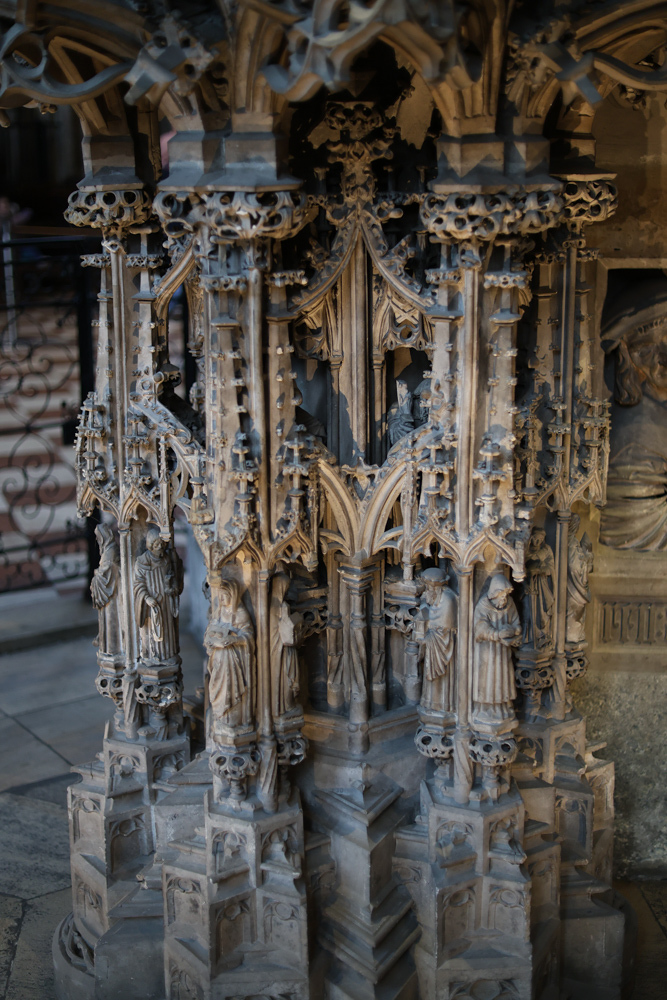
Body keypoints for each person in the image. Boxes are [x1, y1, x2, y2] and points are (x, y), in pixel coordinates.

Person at [473, 573, 521, 723]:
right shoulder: (483, 605)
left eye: (505, 596)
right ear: (493, 594)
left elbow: (517, 623)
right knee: (487, 679)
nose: (503, 600)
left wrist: (513, 631)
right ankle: (484, 709)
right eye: (501, 596)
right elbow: (479, 628)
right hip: (487, 651)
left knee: (503, 678)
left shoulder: (509, 604)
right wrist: (497, 634)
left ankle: (503, 707)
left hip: (503, 651)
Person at [206, 580, 255, 730]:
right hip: (218, 659)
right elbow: (210, 630)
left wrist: (234, 639)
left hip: (233, 661)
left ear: (233, 595)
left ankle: (232, 721)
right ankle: (220, 717)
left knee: (230, 690)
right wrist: (209, 640)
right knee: (216, 688)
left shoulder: (240, 613)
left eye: (225, 595)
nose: (221, 599)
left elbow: (249, 636)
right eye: (220, 595)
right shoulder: (219, 612)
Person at [133, 527, 182, 664]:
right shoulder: (142, 562)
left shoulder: (166, 560)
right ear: (150, 545)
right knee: (152, 632)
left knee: (167, 630)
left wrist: (170, 586)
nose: (160, 547)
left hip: (165, 601)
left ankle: (168, 655)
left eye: (161, 544)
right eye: (156, 545)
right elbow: (138, 584)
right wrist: (146, 598)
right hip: (151, 605)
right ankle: (153, 656)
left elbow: (172, 579)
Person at [414, 567, 457, 714]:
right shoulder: (436, 596)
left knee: (442, 682)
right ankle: (430, 704)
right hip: (434, 643)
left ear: (435, 588)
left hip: (444, 647)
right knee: (431, 685)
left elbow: (444, 628)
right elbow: (430, 611)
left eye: (428, 588)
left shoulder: (448, 599)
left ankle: (443, 707)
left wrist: (427, 639)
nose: (426, 591)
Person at [521, 528, 555, 650]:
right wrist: (525, 584)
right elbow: (518, 569)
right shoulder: (524, 550)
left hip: (542, 586)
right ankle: (527, 639)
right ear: (531, 538)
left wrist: (539, 570)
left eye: (541, 539)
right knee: (527, 612)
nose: (538, 542)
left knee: (542, 613)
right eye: (536, 538)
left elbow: (551, 569)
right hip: (527, 587)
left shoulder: (546, 550)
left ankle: (542, 637)